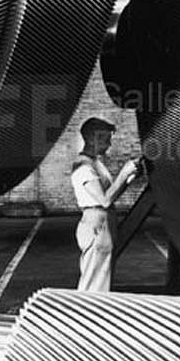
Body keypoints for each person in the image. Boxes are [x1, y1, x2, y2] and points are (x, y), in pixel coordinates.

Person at [71, 117, 141, 292]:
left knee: (100, 278)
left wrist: (130, 178)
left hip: (103, 222)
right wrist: (124, 174)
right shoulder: (83, 166)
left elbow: (111, 195)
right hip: (96, 223)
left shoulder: (96, 163)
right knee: (94, 283)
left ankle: (90, 314)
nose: (109, 144)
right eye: (106, 139)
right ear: (92, 138)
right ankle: (85, 315)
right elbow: (104, 200)